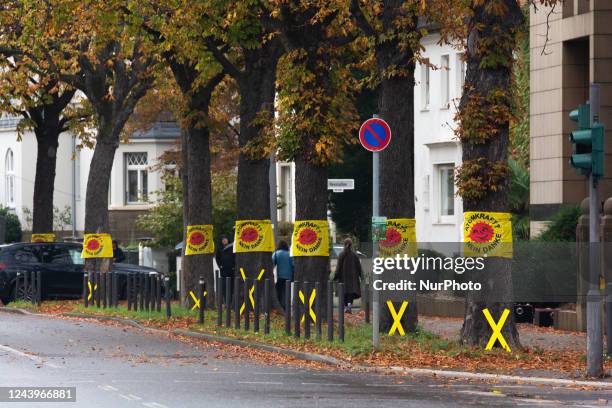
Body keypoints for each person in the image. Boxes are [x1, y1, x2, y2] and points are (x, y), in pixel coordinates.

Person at [334, 238, 362, 313]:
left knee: (344, 292)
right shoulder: (354, 255)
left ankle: (346, 307)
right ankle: (349, 305)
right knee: (351, 292)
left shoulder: (341, 254)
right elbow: (359, 267)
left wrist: (335, 276)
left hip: (343, 278)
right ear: (351, 245)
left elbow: (338, 266)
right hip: (353, 278)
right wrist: (361, 276)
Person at [272, 240, 293, 311]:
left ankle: (281, 306)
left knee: (279, 292)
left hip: (279, 277)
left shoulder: (276, 254)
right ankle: (286, 307)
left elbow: (272, 263)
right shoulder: (289, 254)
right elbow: (293, 265)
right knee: (287, 292)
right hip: (288, 277)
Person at [215, 235, 235, 302]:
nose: (224, 240)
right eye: (223, 239)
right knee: (224, 285)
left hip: (232, 269)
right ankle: (226, 301)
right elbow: (217, 258)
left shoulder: (232, 247)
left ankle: (232, 301)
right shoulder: (219, 248)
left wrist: (234, 266)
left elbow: (235, 257)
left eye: (225, 239)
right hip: (223, 270)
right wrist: (220, 266)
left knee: (232, 284)